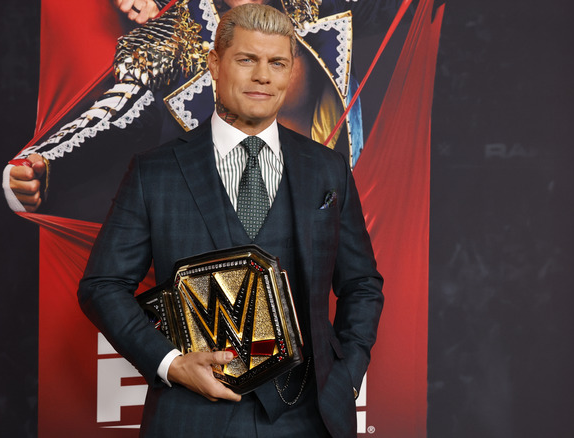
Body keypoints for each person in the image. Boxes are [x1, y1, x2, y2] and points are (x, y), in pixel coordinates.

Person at [77, 4, 383, 437]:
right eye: (247, 59)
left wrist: (346, 376)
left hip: (309, 418)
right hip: (191, 415)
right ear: (214, 65)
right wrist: (172, 365)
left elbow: (362, 284)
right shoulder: (155, 171)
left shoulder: (328, 169)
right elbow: (102, 286)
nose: (263, 76)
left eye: (277, 62)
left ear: (292, 71)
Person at [4, 0, 404, 222]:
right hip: (225, 242)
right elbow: (117, 115)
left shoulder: (314, 3)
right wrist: (46, 164)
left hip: (327, 231)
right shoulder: (173, 33)